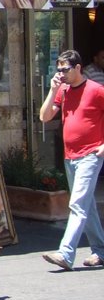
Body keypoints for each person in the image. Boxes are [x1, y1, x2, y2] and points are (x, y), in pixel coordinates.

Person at [39, 49, 104, 270]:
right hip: (70, 156)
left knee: (77, 204)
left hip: (90, 155)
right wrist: (52, 89)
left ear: (78, 68)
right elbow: (44, 117)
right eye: (59, 70)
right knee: (88, 205)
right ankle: (101, 251)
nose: (61, 73)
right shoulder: (63, 91)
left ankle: (66, 253)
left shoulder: (96, 91)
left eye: (65, 69)